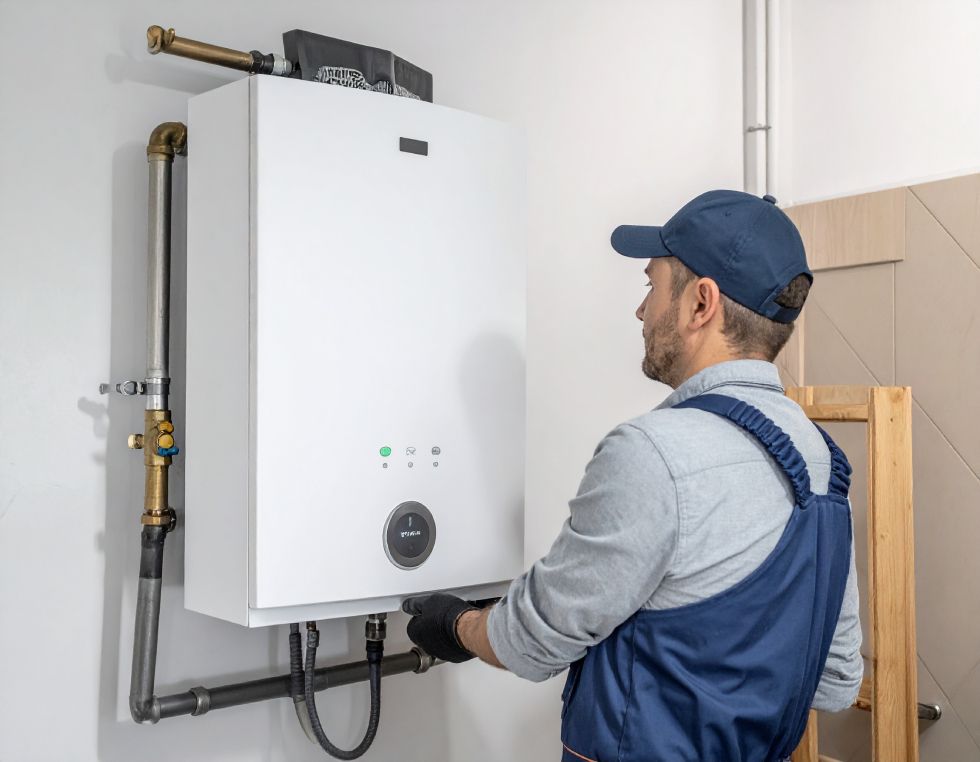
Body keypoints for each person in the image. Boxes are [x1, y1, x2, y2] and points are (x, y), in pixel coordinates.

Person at [403, 190, 863, 762]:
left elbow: (530, 642)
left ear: (701, 304)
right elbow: (836, 680)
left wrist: (455, 625)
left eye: (651, 285)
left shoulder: (652, 454)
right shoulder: (823, 461)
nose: (641, 311)